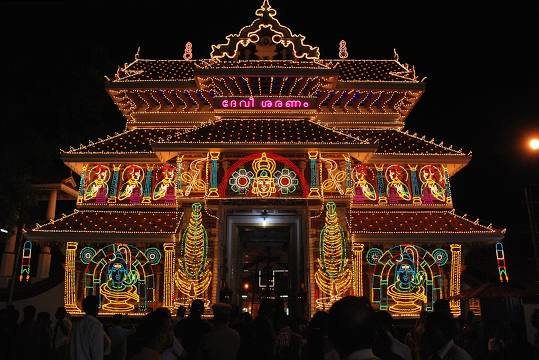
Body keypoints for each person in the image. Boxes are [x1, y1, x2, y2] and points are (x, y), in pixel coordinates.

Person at [70, 295, 111, 360]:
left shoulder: (76, 325)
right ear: (95, 308)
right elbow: (97, 351)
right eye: (97, 306)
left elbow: (72, 349)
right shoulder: (96, 325)